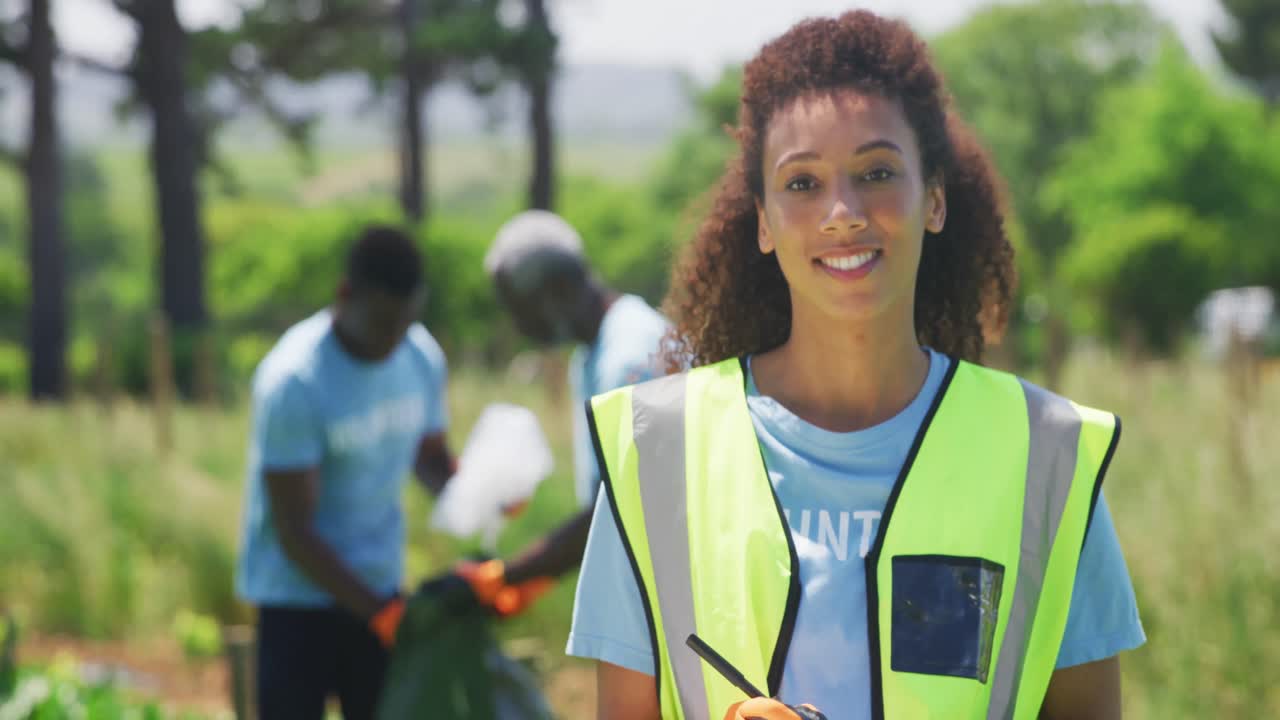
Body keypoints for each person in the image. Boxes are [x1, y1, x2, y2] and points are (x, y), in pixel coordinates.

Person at [569, 11, 1145, 720]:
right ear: (761, 220)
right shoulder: (655, 450)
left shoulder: (1049, 454)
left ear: (933, 198)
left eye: (875, 172)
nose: (841, 213)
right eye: (802, 183)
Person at [234, 225, 455, 720]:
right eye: (381, 324)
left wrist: (474, 493)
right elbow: (295, 532)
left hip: (379, 591)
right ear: (344, 295)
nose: (391, 341)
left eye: (404, 324)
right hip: (297, 603)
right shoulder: (294, 381)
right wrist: (381, 614)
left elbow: (430, 457)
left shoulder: (419, 357)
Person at [451, 210, 671, 615]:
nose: (519, 325)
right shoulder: (593, 355)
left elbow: (625, 507)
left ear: (559, 288)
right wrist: (534, 577)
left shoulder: (628, 360)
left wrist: (506, 575)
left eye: (520, 308)